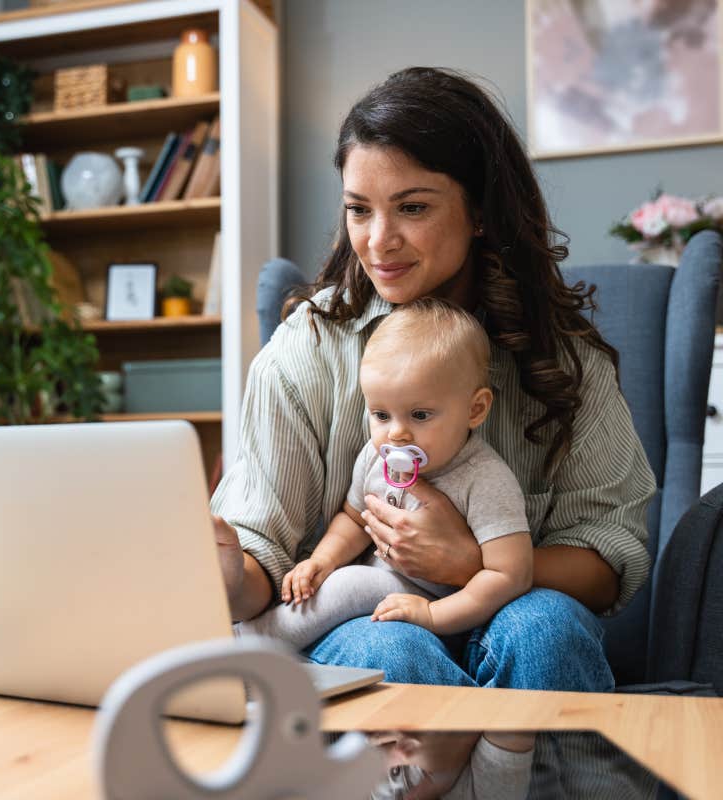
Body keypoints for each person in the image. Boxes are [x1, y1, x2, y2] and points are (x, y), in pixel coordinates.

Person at [211, 66, 655, 797]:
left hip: (511, 611)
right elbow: (262, 561)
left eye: (411, 207)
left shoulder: (561, 356)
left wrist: (472, 566)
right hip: (366, 623)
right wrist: (224, 570)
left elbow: (610, 555)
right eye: (359, 210)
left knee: (545, 627)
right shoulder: (306, 350)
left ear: (479, 210)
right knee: (389, 641)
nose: (378, 241)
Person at [236, 298, 532, 651]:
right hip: (388, 596)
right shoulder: (376, 457)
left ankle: (254, 645)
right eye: (380, 414)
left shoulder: (485, 479)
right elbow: (354, 518)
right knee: (336, 581)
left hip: (448, 606)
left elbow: (510, 575)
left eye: (420, 415)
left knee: (350, 585)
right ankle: (261, 643)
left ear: (475, 409)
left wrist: (434, 614)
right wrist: (321, 560)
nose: (397, 434)